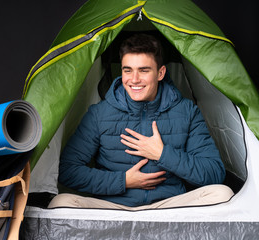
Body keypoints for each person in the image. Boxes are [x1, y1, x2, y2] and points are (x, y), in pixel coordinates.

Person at [48, 34, 234, 210]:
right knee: (62, 202)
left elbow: (214, 173)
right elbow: (68, 170)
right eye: (127, 70)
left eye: (144, 70)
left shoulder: (186, 111)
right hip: (113, 208)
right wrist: (123, 181)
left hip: (170, 206)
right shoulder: (100, 113)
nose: (134, 79)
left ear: (160, 73)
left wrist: (162, 154)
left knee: (222, 193)